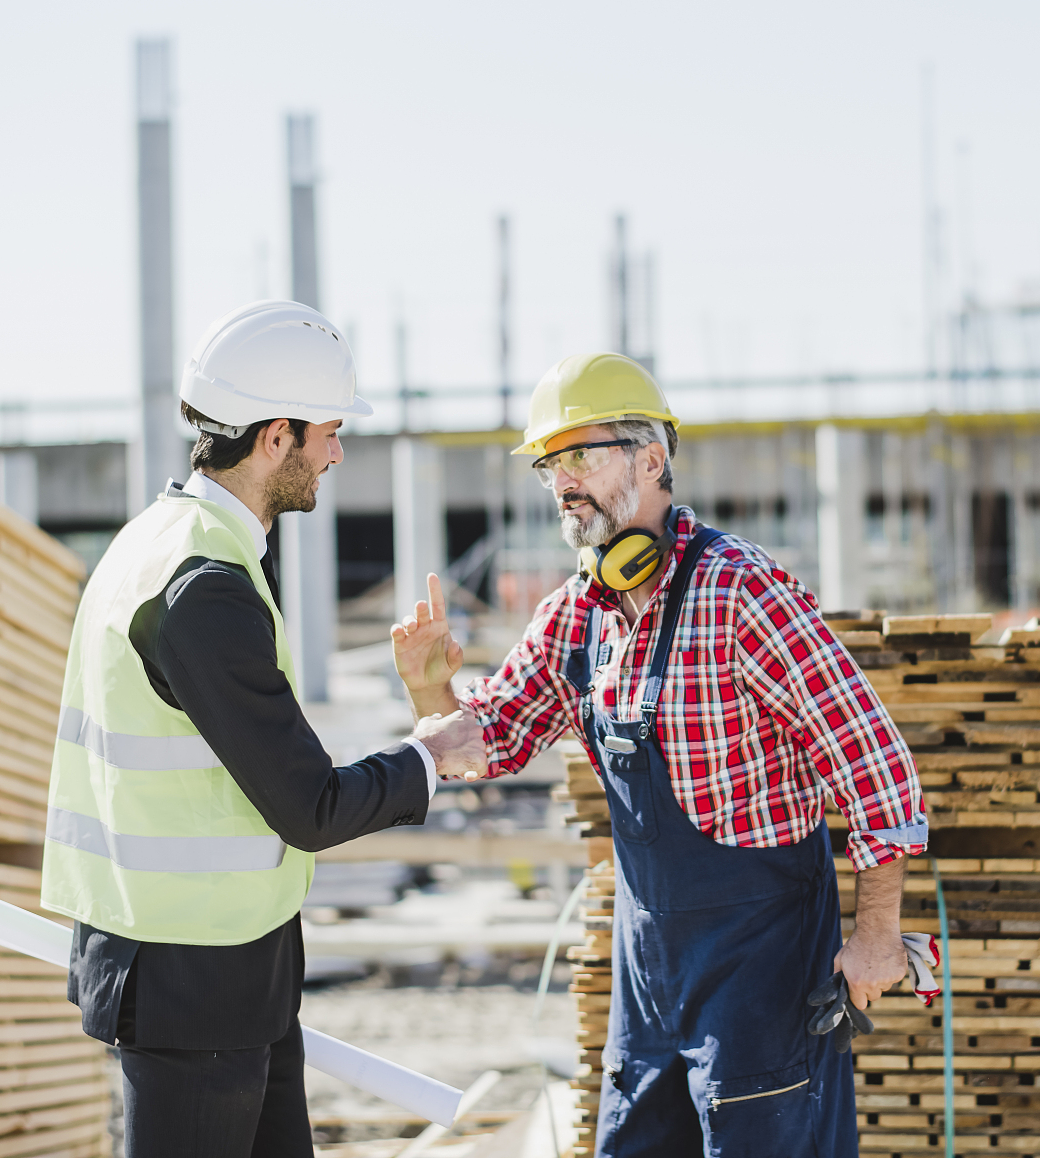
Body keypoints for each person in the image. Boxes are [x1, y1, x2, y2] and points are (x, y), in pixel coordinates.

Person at [391, 352, 926, 1158]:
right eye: (550, 465)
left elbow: (875, 762)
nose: (565, 482)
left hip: (764, 978)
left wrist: (878, 932)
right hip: (651, 984)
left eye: (583, 456)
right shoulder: (577, 616)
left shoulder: (742, 591)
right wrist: (433, 696)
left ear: (651, 459)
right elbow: (487, 737)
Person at [41, 300, 487, 1158]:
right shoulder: (203, 581)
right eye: (326, 431)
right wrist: (428, 754)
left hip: (221, 974)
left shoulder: (163, 541)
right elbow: (308, 806)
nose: (337, 451)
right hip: (194, 983)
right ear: (274, 436)